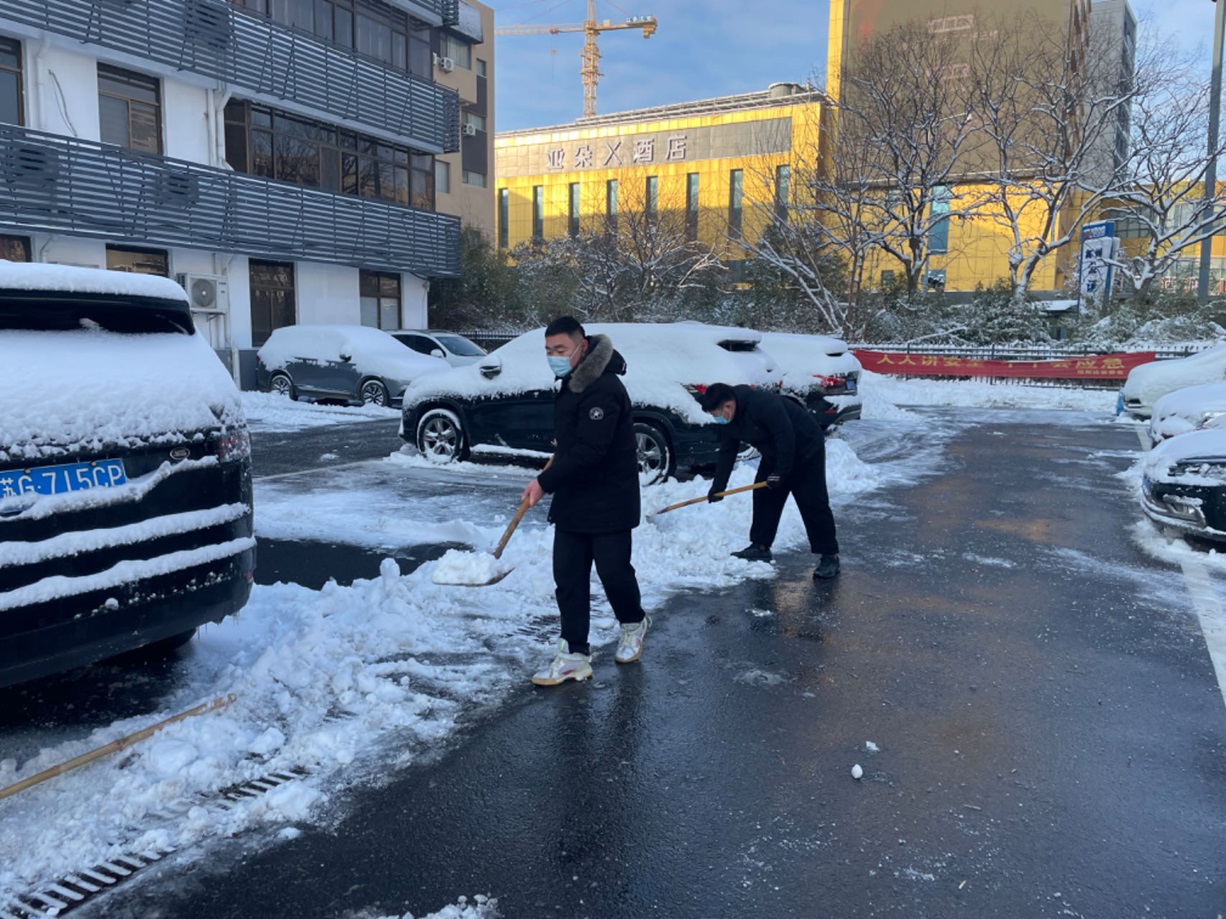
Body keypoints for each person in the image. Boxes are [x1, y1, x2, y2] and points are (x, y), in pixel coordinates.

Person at [521, 317, 651, 685]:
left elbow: (593, 450)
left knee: (613, 572)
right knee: (568, 576)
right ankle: (574, 654)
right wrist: (564, 444)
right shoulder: (571, 381)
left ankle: (633, 622)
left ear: (582, 347)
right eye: (549, 350)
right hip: (574, 496)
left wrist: (544, 482)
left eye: (560, 349)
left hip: (610, 499)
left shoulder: (605, 388)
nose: (554, 357)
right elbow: (576, 438)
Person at [698, 382, 840, 579]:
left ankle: (829, 556)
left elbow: (785, 436)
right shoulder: (730, 419)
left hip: (805, 447)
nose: (717, 419)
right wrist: (718, 486)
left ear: (728, 406)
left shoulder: (763, 404)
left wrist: (780, 473)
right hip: (774, 451)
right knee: (764, 496)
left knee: (812, 501)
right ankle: (761, 546)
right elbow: (727, 451)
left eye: (717, 414)